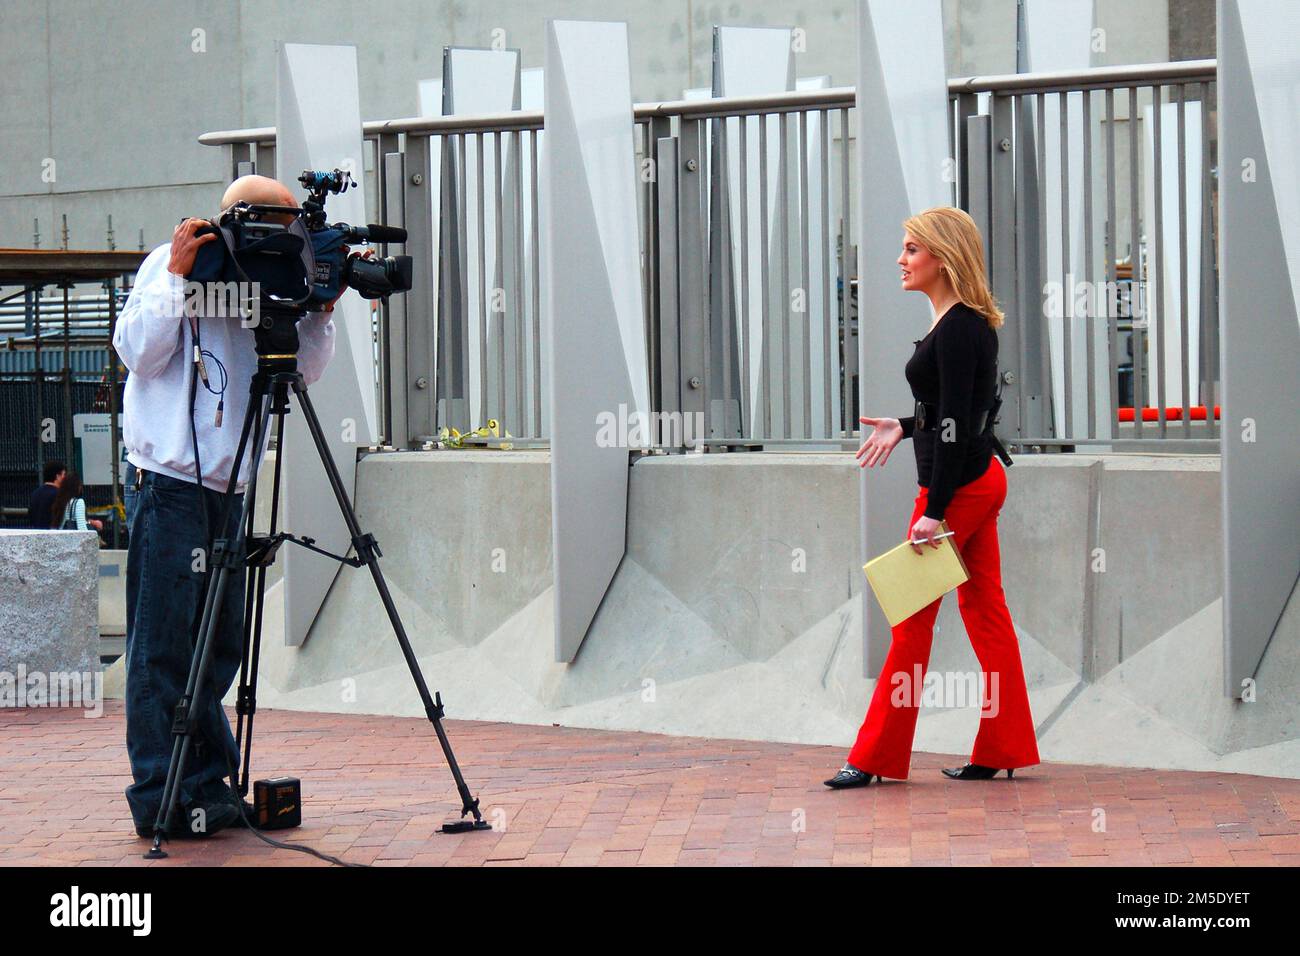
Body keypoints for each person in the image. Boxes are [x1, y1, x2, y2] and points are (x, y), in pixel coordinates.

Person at [113, 175, 343, 838]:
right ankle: (162, 794)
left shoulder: (278, 278)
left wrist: (319, 310)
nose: (282, 235)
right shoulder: (172, 261)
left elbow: (302, 372)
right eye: (271, 222)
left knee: (217, 647)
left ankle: (207, 786)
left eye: (290, 225)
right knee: (163, 645)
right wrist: (180, 277)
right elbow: (137, 351)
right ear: (237, 218)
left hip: (231, 485)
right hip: (170, 483)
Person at [825, 206, 1040, 789]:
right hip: (974, 479)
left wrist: (935, 513)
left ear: (942, 257)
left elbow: (956, 425)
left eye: (912, 249)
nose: (901, 259)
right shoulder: (960, 324)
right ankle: (1004, 745)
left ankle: (873, 758)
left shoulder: (961, 327)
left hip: (958, 490)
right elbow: (953, 413)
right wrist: (904, 423)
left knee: (911, 622)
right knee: (986, 612)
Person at [27, 460, 66, 529]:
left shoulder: (35, 493)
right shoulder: (59, 495)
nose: (65, 478)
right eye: (64, 475)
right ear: (57, 476)